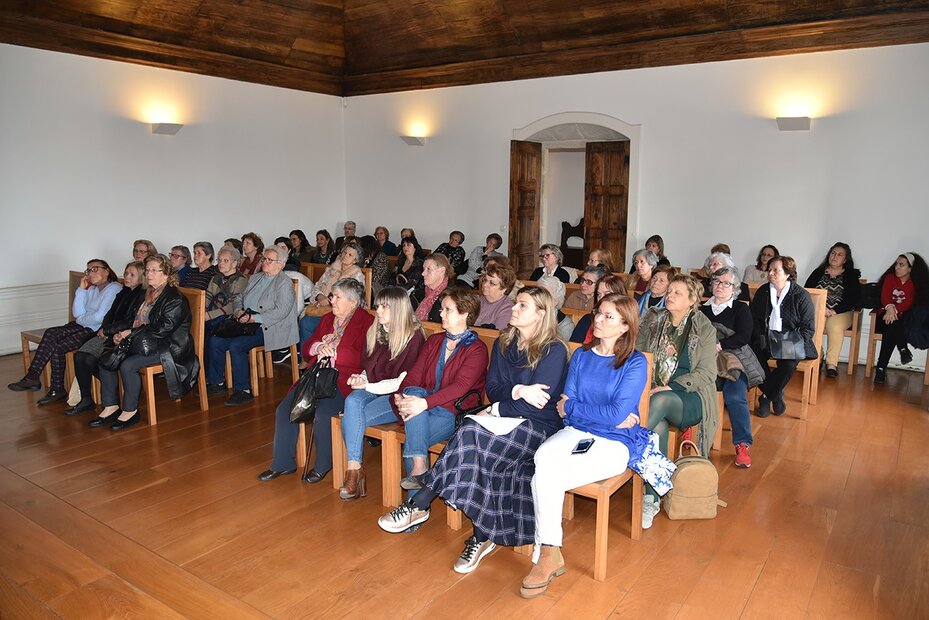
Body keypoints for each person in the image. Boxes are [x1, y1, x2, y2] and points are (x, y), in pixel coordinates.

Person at [378, 287, 568, 576]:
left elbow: (539, 407)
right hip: (506, 422)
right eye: (516, 303)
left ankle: (421, 502)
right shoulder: (505, 344)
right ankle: (480, 536)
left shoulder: (553, 350)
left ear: (541, 314)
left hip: (538, 428)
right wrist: (518, 391)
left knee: (472, 433)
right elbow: (493, 389)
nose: (514, 309)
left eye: (522, 305)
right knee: (472, 434)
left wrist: (497, 408)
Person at [520, 294, 673, 598]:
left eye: (608, 317)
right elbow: (566, 405)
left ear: (626, 326)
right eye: (598, 314)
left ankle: (548, 553)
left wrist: (584, 410)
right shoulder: (581, 355)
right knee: (543, 458)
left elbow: (614, 414)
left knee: (548, 474)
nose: (598, 320)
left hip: (616, 443)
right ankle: (549, 550)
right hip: (577, 431)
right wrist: (597, 413)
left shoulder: (635, 362)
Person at [260, 279, 373, 483]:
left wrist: (336, 352)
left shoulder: (366, 321)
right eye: (332, 296)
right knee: (285, 409)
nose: (332, 300)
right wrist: (318, 347)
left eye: (337, 297)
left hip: (344, 380)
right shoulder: (328, 318)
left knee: (323, 413)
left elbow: (365, 356)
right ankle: (283, 463)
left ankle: (324, 464)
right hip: (318, 375)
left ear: (353, 301)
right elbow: (307, 347)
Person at [375, 288, 487, 492]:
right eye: (442, 309)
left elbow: (460, 387)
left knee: (413, 436)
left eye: (447, 310)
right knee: (414, 396)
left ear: (464, 314)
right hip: (422, 404)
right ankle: (420, 474)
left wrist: (422, 404)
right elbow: (414, 374)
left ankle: (416, 504)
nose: (441, 314)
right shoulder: (435, 341)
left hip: (451, 411)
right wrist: (401, 396)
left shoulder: (477, 349)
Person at [637, 274, 717, 525]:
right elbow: (638, 356)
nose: (669, 296)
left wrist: (669, 386)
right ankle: (651, 498)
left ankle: (620, 446)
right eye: (669, 291)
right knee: (658, 427)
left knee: (659, 403)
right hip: (652, 391)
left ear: (692, 300)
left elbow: (706, 373)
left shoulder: (703, 327)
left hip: (689, 396)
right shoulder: (654, 320)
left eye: (677, 293)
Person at [87, 254, 198, 431]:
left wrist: (128, 333)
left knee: (128, 365)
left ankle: (130, 411)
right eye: (147, 270)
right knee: (107, 357)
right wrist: (114, 332)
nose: (149, 273)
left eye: (154, 270)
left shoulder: (174, 298)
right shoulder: (146, 293)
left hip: (168, 346)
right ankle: (111, 407)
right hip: (143, 341)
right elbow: (131, 319)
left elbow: (162, 329)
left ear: (167, 274)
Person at [337, 287, 426, 498]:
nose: (379, 311)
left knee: (349, 420)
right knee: (352, 402)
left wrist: (366, 385)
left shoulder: (413, 337)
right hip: (375, 389)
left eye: (385, 306)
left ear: (398, 309)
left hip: (397, 397)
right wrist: (362, 379)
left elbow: (399, 383)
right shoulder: (376, 331)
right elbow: (371, 369)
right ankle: (354, 469)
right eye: (378, 306)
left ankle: (354, 476)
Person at [9, 259, 122, 404]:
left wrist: (81, 319)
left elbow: (99, 318)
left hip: (96, 331)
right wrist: (81, 289)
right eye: (88, 270)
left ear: (106, 271)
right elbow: (77, 312)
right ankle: (54, 389)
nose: (91, 273)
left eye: (95, 269)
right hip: (83, 326)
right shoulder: (92, 289)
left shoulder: (114, 288)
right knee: (52, 335)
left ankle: (35, 378)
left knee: (56, 342)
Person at [206, 245, 299, 407]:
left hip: (268, 327)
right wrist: (238, 311)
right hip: (246, 321)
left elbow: (281, 312)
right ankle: (217, 383)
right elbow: (239, 297)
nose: (265, 262)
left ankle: (244, 391)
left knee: (237, 345)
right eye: (264, 259)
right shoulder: (257, 278)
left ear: (281, 264)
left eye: (270, 260)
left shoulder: (284, 283)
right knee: (216, 341)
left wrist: (254, 318)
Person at [699, 266, 763, 468]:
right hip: (706, 361)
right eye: (717, 282)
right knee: (695, 390)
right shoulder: (702, 309)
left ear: (734, 287)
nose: (720, 286)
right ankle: (697, 442)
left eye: (726, 283)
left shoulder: (740, 308)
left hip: (733, 359)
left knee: (735, 395)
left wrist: (720, 345)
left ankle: (742, 444)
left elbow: (744, 337)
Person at [66, 261, 146, 415]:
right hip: (109, 332)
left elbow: (130, 321)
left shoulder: (140, 295)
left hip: (123, 336)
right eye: (126, 273)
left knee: (91, 359)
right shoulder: (124, 291)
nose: (127, 277)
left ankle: (113, 392)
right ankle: (87, 399)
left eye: (132, 275)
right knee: (81, 356)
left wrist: (108, 330)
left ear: (141, 277)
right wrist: (105, 328)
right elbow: (109, 314)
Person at [749, 256, 816, 416]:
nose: (770, 273)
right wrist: (761, 337)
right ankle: (776, 394)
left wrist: (790, 342)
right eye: (770, 269)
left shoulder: (800, 296)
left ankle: (765, 398)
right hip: (766, 338)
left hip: (792, 340)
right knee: (752, 355)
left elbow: (808, 329)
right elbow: (754, 320)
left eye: (776, 270)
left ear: (788, 273)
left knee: (789, 365)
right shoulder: (763, 292)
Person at [803, 242, 862, 377]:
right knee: (813, 324)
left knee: (834, 325)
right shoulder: (818, 272)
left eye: (840, 255)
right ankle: (817, 355)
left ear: (845, 260)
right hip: (819, 310)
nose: (835, 256)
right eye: (833, 253)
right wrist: (822, 309)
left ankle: (831, 364)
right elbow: (807, 292)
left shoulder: (851, 275)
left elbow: (853, 298)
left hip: (842, 312)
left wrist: (835, 310)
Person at [872, 252, 929, 384]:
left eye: (901, 265)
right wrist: (890, 308)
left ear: (910, 269)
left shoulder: (914, 284)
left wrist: (895, 311)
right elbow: (885, 296)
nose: (897, 267)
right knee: (892, 323)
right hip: (883, 316)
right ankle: (903, 350)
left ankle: (880, 369)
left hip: (900, 320)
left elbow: (909, 302)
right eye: (897, 264)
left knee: (892, 327)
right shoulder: (889, 278)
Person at [300, 241, 365, 343]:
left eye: (350, 255)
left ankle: (323, 354)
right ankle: (307, 356)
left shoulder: (357, 275)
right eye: (344, 252)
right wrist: (319, 296)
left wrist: (331, 301)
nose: (345, 256)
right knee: (305, 322)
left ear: (355, 260)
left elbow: (356, 299)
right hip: (321, 308)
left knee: (324, 326)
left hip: (341, 313)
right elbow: (317, 286)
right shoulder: (331, 269)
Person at [569, 274, 628, 343]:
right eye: (598, 294)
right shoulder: (587, 320)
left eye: (607, 294)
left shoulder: (625, 324)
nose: (601, 299)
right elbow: (573, 347)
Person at [410, 253, 452, 323]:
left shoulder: (451, 297)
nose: (423, 273)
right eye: (424, 269)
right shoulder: (416, 293)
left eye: (428, 269)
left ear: (441, 271)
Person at [475, 261, 516, 330]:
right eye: (485, 280)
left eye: (492, 283)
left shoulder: (507, 308)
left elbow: (495, 335)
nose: (485, 285)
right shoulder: (477, 301)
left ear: (503, 289)